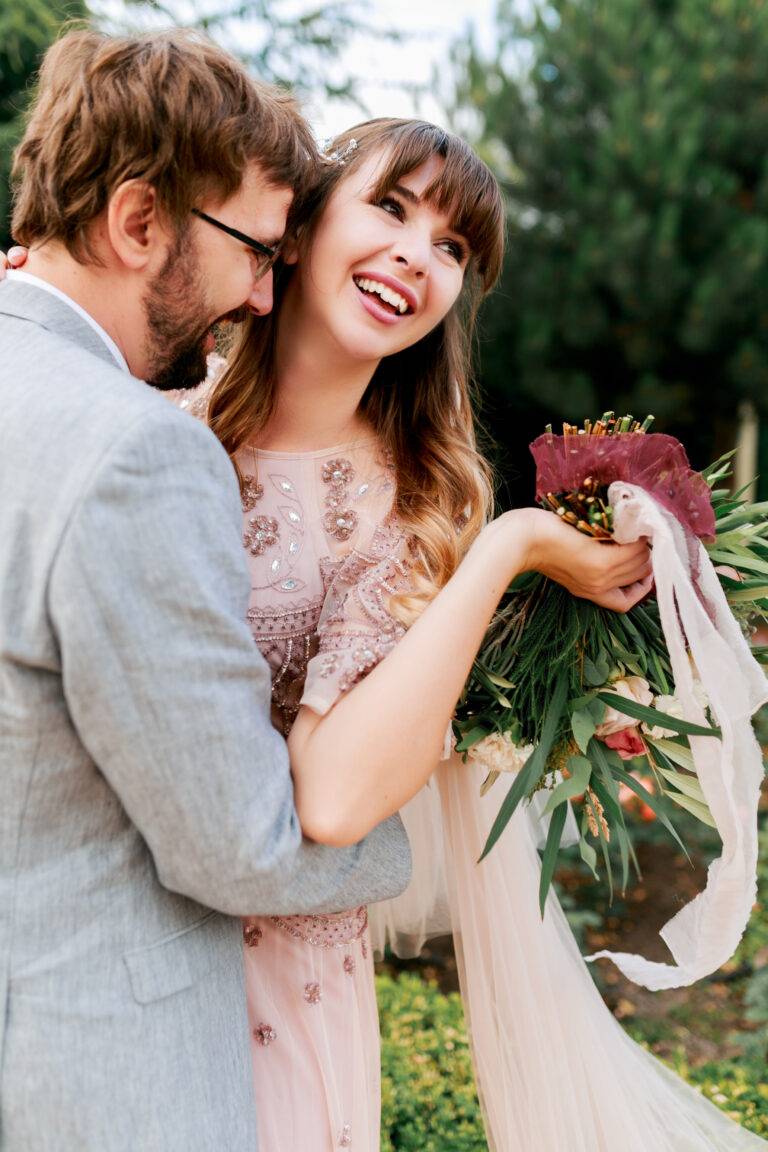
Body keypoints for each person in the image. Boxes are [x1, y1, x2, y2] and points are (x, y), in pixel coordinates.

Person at [167, 116, 766, 1151]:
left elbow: (342, 796)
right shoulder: (152, 419)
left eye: (452, 248)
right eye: (391, 209)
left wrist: (512, 546)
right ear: (299, 229)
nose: (418, 255)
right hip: (116, 940)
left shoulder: (422, 515)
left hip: (291, 994)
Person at [0, 31, 413, 1152]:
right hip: (88, 1083)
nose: (267, 298)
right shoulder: (137, 453)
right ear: (139, 224)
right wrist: (410, 844)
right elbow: (238, 846)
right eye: (255, 252)